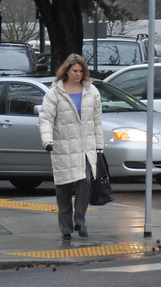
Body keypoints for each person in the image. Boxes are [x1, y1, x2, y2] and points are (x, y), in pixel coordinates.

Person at [39, 53, 104, 240]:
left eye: (81, 71)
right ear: (66, 71)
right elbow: (45, 119)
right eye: (75, 70)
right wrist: (47, 140)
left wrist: (99, 146)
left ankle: (80, 221)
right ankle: (65, 228)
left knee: (86, 183)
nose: (78, 74)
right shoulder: (54, 93)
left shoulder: (92, 91)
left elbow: (97, 121)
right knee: (63, 190)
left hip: (86, 148)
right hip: (62, 147)